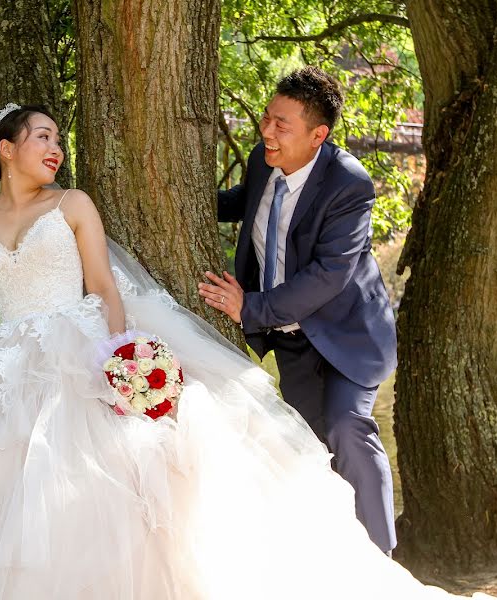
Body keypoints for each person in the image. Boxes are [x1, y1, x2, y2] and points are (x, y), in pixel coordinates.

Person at [0, 103, 491, 599]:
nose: (55, 148)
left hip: (79, 343)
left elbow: (102, 287)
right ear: (6, 149)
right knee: (5, 492)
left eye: (60, 140)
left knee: (118, 480)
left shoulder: (73, 204)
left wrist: (119, 356)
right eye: (42, 138)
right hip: (8, 364)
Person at [199, 66, 397, 554]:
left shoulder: (348, 183)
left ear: (318, 135)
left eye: (280, 124)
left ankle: (382, 562)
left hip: (349, 337)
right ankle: (330, 561)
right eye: (266, 118)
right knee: (307, 450)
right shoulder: (262, 162)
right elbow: (244, 204)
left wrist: (251, 306)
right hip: (290, 341)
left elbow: (331, 273)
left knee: (347, 430)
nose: (266, 130)